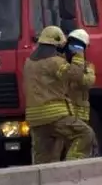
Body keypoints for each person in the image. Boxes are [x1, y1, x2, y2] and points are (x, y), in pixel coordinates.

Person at [23, 26, 94, 164]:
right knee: (85, 134)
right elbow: (76, 76)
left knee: (44, 157)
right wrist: (78, 56)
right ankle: (71, 168)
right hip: (55, 115)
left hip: (35, 118)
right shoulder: (55, 62)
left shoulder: (29, 63)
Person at [63, 29, 97, 158]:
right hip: (65, 113)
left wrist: (77, 65)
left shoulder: (88, 66)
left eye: (79, 46)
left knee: (82, 146)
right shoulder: (61, 64)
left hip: (82, 116)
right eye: (73, 45)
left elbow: (87, 82)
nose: (75, 49)